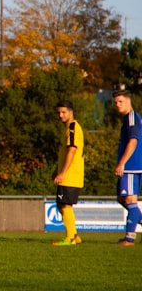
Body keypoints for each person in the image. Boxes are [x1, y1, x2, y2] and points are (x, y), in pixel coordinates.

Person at [112, 85, 142, 246]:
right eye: (115, 102)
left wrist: (122, 163)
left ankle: (129, 238)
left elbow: (133, 140)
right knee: (121, 198)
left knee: (130, 199)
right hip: (131, 165)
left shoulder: (131, 117)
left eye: (120, 101)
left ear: (128, 101)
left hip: (131, 165)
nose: (117, 104)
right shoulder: (129, 118)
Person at [52, 100, 84, 246]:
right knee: (61, 204)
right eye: (59, 112)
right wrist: (56, 170)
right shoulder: (67, 128)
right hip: (68, 174)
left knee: (65, 205)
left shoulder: (72, 128)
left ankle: (70, 237)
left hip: (70, 174)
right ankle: (74, 235)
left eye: (64, 112)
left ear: (71, 112)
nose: (60, 115)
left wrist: (63, 173)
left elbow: (72, 150)